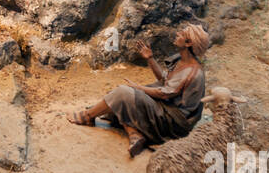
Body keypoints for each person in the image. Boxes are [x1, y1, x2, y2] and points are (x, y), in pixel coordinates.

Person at [65, 23, 209, 158]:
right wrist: (150, 59)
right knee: (119, 98)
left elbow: (164, 93)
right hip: (166, 108)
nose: (177, 34)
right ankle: (135, 134)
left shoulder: (192, 72)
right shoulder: (180, 61)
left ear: (189, 43)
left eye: (181, 34)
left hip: (172, 122)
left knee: (123, 94)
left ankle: (87, 116)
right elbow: (165, 80)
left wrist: (137, 87)